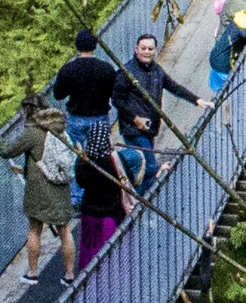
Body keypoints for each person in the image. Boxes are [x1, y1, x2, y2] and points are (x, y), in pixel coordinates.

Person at [0, 90, 77, 279]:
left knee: (35, 229)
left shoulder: (32, 132)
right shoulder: (58, 127)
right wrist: (24, 169)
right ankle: (70, 274)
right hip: (60, 183)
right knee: (64, 229)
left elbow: (7, 150)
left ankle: (32, 273)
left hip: (39, 187)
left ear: (26, 112)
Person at [117, 33, 199, 193]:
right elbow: (117, 100)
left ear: (155, 50)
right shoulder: (127, 72)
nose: (147, 52)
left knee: (144, 170)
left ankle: (141, 199)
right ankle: (140, 201)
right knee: (148, 167)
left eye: (150, 49)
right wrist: (135, 118)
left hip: (150, 128)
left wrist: (196, 100)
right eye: (143, 48)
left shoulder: (156, 70)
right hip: (133, 129)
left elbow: (174, 87)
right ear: (136, 49)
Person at [49, 28, 120, 200]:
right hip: (99, 118)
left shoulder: (68, 70)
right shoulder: (106, 69)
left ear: (77, 46)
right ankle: (99, 192)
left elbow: (58, 94)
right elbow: (114, 93)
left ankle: (77, 196)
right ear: (95, 46)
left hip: (76, 118)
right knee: (100, 155)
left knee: (75, 156)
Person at [70, 144, 130, 271]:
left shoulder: (84, 161)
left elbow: (80, 182)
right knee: (108, 247)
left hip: (90, 211)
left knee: (89, 246)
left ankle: (87, 272)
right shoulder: (111, 160)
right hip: (109, 212)